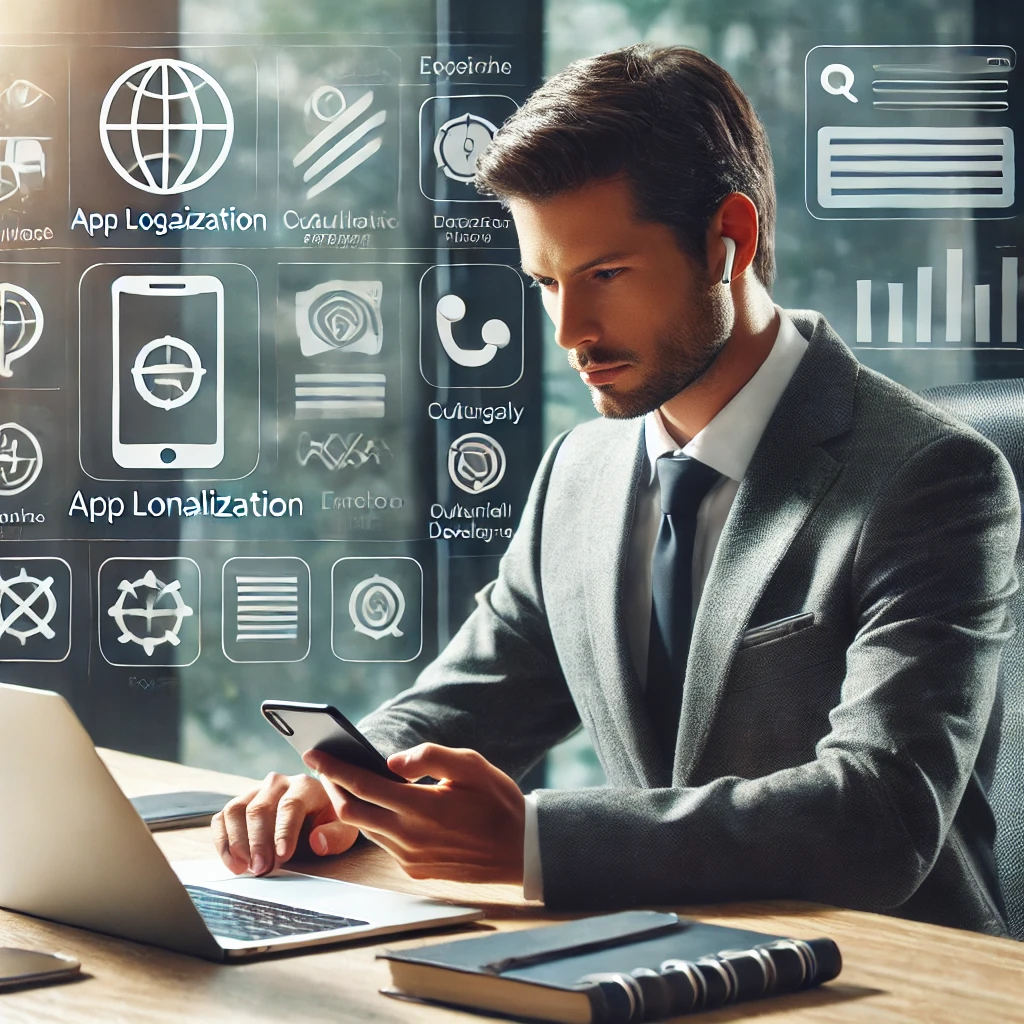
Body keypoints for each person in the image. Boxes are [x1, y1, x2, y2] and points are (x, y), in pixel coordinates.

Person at [213, 44, 1019, 935]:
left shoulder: (936, 477)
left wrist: (534, 843)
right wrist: (342, 783)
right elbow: (476, 697)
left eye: (605, 275)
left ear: (731, 240)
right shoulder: (579, 472)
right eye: (547, 283)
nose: (569, 330)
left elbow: (879, 817)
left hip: (889, 976)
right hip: (656, 954)